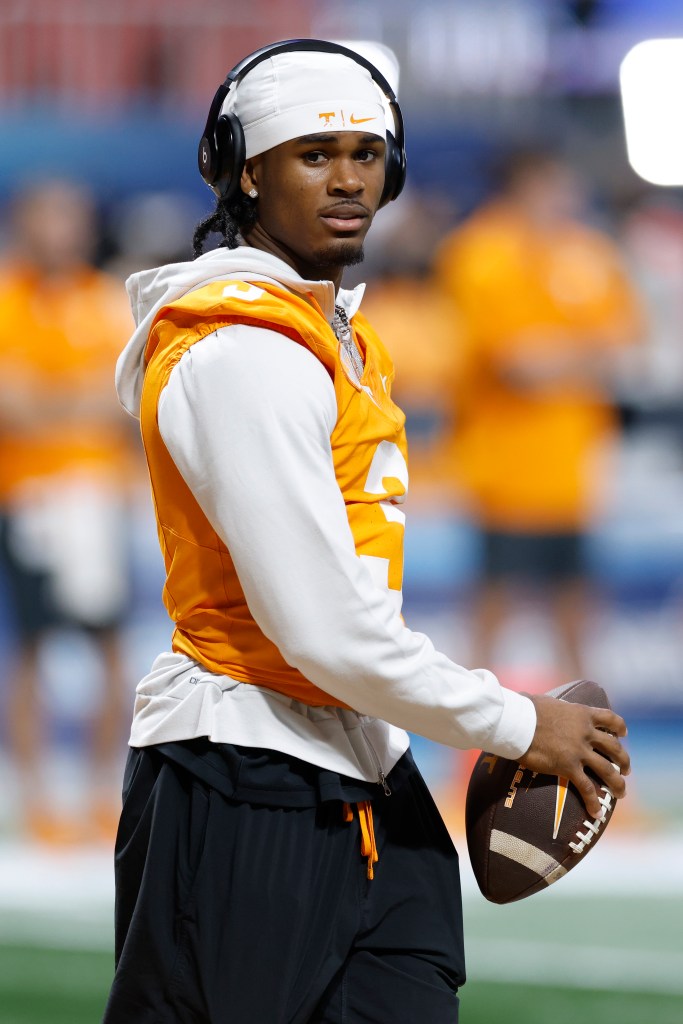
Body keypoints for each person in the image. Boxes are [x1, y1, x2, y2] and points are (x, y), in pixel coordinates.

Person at [102, 42, 630, 1024]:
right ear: (243, 169)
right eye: (314, 154)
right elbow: (323, 630)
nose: (348, 179)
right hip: (242, 770)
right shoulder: (245, 350)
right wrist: (519, 724)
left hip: (360, 766)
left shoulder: (331, 329)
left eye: (367, 153)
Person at [433, 148, 644, 688]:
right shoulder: (482, 251)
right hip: (505, 467)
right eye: (556, 183)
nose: (569, 196)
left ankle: (591, 728)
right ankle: (467, 727)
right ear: (526, 184)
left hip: (573, 466)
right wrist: (584, 354)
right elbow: (518, 364)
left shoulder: (586, 251)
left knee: (575, 611)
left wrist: (559, 355)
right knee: (493, 606)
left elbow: (628, 347)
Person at [0, 179, 136, 844]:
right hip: (28, 497)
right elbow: (11, 405)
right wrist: (78, 401)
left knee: (110, 649)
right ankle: (38, 799)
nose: (59, 230)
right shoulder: (8, 298)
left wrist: (51, 401)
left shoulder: (107, 302)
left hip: (98, 495)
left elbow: (126, 400)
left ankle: (100, 793)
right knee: (33, 649)